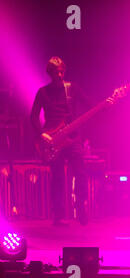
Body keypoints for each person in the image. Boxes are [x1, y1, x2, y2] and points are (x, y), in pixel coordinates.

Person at [30, 57, 97, 226]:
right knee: (57, 178)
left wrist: (106, 104)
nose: (59, 75)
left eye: (62, 71)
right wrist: (41, 134)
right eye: (56, 72)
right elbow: (33, 117)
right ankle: (58, 215)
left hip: (72, 138)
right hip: (52, 140)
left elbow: (90, 105)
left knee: (81, 173)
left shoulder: (72, 88)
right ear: (50, 73)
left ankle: (81, 207)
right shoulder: (43, 92)